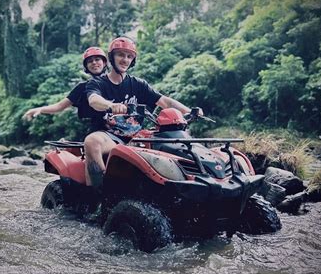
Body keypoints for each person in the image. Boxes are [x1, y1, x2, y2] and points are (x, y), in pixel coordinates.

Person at [84, 36, 203, 188]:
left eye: (129, 56)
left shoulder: (138, 84)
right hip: (110, 136)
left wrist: (191, 111)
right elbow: (94, 100)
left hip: (138, 137)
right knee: (91, 142)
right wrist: (110, 105)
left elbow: (165, 102)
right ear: (111, 58)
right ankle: (100, 197)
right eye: (120, 55)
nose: (125, 60)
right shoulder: (97, 83)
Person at [22, 47, 107, 121]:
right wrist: (40, 109)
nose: (94, 63)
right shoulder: (82, 87)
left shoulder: (114, 81)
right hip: (96, 129)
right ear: (86, 66)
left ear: (104, 63)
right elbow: (60, 106)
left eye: (97, 59)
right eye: (90, 61)